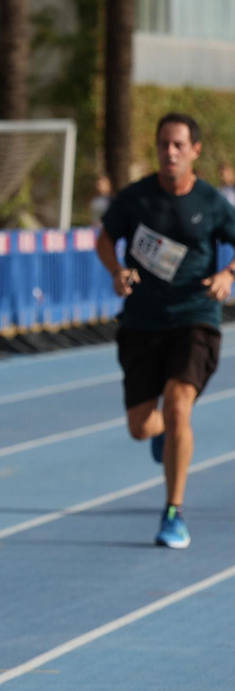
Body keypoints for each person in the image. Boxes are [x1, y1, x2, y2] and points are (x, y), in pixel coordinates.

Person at [96, 112, 235, 549]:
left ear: (195, 151)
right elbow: (104, 238)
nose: (169, 152)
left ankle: (173, 512)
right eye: (163, 145)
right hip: (141, 322)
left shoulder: (211, 203)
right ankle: (163, 438)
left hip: (195, 317)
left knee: (178, 408)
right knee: (142, 426)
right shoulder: (137, 198)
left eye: (178, 145)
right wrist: (117, 271)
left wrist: (228, 274)